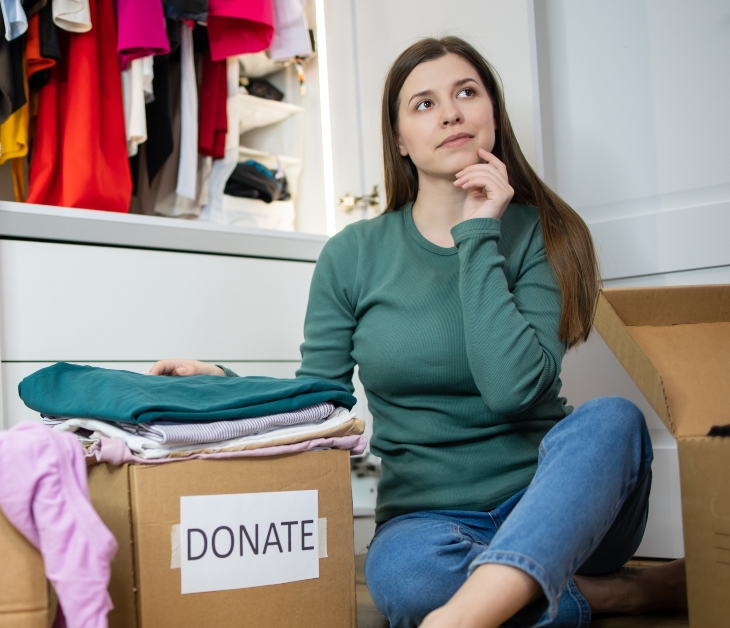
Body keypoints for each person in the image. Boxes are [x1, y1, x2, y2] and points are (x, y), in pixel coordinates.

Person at [149, 36, 687, 628]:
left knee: (614, 419)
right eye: (424, 104)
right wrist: (220, 386)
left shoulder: (544, 234)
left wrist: (479, 233)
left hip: (558, 505)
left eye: (466, 92)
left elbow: (512, 389)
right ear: (400, 141)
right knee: (408, 581)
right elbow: (320, 403)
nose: (451, 111)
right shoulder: (353, 254)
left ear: (492, 115)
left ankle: (468, 613)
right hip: (431, 522)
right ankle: (615, 595)